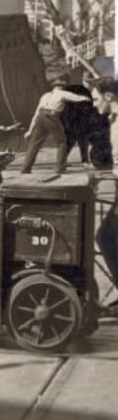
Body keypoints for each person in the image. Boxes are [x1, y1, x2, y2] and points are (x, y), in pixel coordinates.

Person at [21, 76, 92, 174]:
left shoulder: (44, 95)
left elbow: (36, 113)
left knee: (34, 144)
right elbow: (77, 98)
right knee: (62, 142)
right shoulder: (62, 93)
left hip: (40, 117)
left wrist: (30, 131)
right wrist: (89, 98)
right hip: (51, 117)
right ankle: (60, 168)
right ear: (62, 86)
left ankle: (25, 168)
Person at [91, 77, 118, 307]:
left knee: (106, 237)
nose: (93, 104)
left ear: (109, 97)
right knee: (108, 237)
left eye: (96, 99)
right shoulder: (113, 118)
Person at [60, 71, 94, 165]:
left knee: (82, 139)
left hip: (84, 118)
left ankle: (84, 160)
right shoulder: (73, 88)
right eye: (87, 77)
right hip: (74, 118)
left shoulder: (93, 89)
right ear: (82, 77)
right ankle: (63, 160)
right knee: (71, 139)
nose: (89, 79)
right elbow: (66, 104)